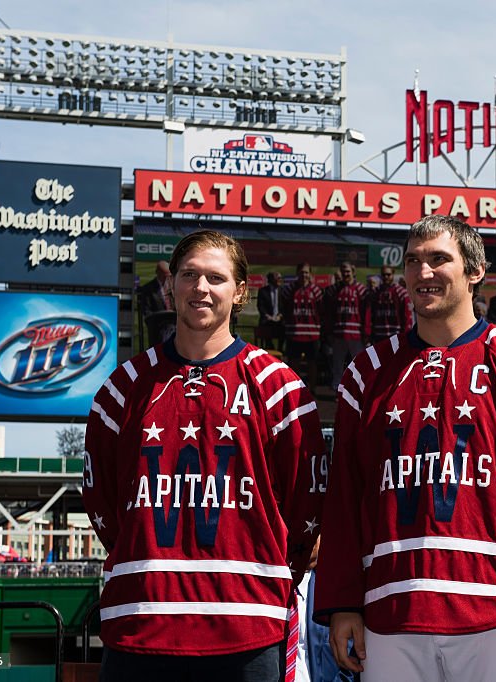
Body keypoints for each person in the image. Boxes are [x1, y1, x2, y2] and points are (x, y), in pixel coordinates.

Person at [313, 214, 496, 681]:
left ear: (474, 271)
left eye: (438, 259)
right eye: (413, 261)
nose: (423, 272)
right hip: (391, 610)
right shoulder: (366, 372)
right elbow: (344, 500)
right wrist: (342, 603)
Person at [83, 230, 327, 682]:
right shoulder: (123, 388)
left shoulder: (279, 387)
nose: (201, 287)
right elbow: (101, 502)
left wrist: (268, 575)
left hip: (247, 625)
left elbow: (306, 505)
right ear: (172, 284)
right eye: (189, 275)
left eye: (215, 277)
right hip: (141, 621)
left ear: (240, 292)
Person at [324, 263, 368, 393]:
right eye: (344, 272)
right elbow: (330, 313)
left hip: (356, 334)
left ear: (353, 272)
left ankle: (360, 387)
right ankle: (337, 387)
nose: (346, 274)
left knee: (359, 363)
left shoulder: (361, 289)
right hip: (339, 333)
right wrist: (329, 332)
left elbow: (366, 312)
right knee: (338, 363)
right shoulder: (335, 290)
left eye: (348, 272)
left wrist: (365, 332)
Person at [283, 263, 324, 393]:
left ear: (310, 274)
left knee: (312, 363)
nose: (304, 275)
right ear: (297, 273)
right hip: (294, 333)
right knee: (294, 364)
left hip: (312, 333)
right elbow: (285, 310)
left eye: (306, 272)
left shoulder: (316, 291)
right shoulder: (289, 290)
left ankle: (312, 390)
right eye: (301, 272)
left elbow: (321, 311)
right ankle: (294, 390)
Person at [365, 266, 412, 344]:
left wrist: (406, 334)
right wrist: (368, 333)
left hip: (396, 334)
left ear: (393, 274)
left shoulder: (401, 293)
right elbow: (369, 314)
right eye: (383, 275)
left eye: (388, 274)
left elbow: (407, 316)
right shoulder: (375, 292)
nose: (386, 277)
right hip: (378, 334)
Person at [137, 260, 176, 343]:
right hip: (158, 328)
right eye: (164, 276)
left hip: (175, 325)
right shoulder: (148, 289)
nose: (166, 278)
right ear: (158, 273)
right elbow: (146, 311)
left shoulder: (174, 287)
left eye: (168, 276)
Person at [256, 271, 285, 352]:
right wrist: (267, 316)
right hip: (267, 319)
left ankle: (280, 350)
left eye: (280, 278)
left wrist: (280, 315)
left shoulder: (283, 291)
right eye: (278, 278)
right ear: (272, 279)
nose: (280, 280)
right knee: (264, 327)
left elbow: (285, 307)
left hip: (280, 320)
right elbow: (260, 306)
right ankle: (270, 347)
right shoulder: (263, 291)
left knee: (285, 327)